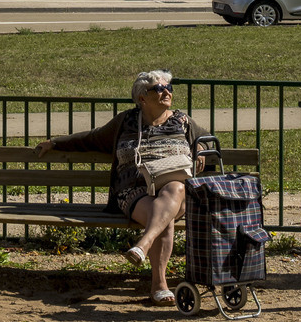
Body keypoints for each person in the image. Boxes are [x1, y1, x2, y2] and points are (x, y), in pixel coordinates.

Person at [34, 68, 202, 307]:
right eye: (159, 88)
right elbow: (92, 138)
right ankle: (159, 286)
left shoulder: (182, 121)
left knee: (174, 191)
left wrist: (202, 148)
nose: (167, 92)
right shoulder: (126, 122)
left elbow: (207, 140)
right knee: (163, 215)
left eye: (169, 88)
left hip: (176, 190)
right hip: (134, 192)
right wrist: (55, 142)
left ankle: (143, 246)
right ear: (142, 98)